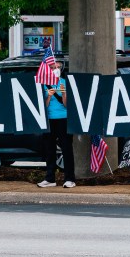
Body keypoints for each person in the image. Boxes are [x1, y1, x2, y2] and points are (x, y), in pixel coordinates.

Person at [38, 58, 76, 188]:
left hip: (63, 119)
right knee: (49, 149)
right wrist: (48, 95)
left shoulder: (65, 82)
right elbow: (42, 106)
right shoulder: (43, 84)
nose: (56, 70)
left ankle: (70, 178)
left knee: (66, 148)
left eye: (58, 67)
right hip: (49, 120)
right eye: (53, 67)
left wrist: (64, 93)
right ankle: (50, 178)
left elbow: (67, 105)